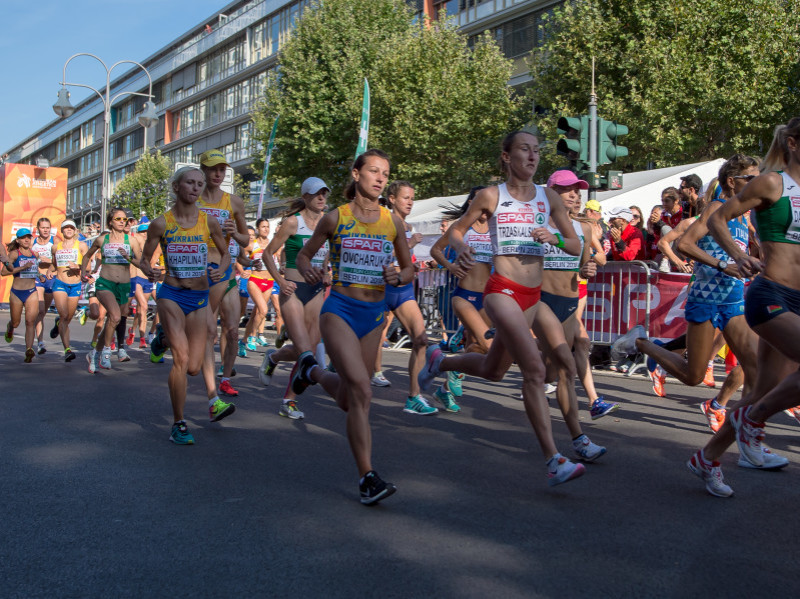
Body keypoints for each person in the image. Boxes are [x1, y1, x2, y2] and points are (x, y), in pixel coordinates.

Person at [417, 130, 587, 487]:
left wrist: (554, 237)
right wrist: (461, 248)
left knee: (494, 369)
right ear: (507, 156)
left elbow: (574, 246)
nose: (533, 156)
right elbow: (457, 232)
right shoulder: (491, 195)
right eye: (524, 149)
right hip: (501, 292)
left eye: (537, 151)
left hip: (533, 296)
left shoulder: (548, 199)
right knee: (535, 370)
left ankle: (440, 361)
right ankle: (553, 458)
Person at [293, 148, 414, 504]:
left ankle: (310, 372)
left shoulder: (393, 221)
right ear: (356, 173)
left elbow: (408, 269)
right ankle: (367, 477)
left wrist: (397, 274)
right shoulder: (336, 217)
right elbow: (303, 254)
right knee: (362, 388)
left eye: (385, 174)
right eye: (374, 171)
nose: (380, 178)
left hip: (374, 315)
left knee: (350, 397)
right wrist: (308, 269)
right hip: (340, 310)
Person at [687, 119, 800, 496]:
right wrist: (736, 255)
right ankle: (753, 421)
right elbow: (718, 218)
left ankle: (707, 458)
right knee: (758, 401)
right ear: (794, 144)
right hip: (771, 295)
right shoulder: (772, 183)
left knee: (761, 391)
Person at [139, 166, 233, 444]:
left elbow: (226, 254)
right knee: (181, 359)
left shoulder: (209, 222)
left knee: (193, 367)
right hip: (171, 294)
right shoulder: (161, 223)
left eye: (199, 184)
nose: (195, 188)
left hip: (200, 298)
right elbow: (145, 260)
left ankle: (163, 339)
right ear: (176, 187)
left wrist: (220, 269)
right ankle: (179, 423)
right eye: (190, 183)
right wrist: (150, 271)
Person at [546, 170, 617, 421]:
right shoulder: (536, 221)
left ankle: (592, 402)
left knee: (577, 346)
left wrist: (588, 266)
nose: (575, 194)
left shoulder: (585, 229)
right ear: (551, 191)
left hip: (573, 295)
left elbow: (590, 262)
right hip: (539, 301)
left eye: (577, 190)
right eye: (568, 189)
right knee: (499, 363)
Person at [259, 177, 331, 419]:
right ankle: (288, 400)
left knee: (308, 349)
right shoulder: (292, 223)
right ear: (306, 196)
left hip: (316, 291)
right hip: (292, 290)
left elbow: (327, 253)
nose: (322, 198)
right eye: (316, 194)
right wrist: (280, 281)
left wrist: (328, 271)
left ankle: (275, 359)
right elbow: (268, 254)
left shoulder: (327, 223)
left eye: (324, 193)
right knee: (304, 350)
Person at [373, 180, 438, 414]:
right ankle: (347, 372)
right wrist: (410, 243)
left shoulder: (408, 226)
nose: (410, 202)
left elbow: (404, 261)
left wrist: (415, 266)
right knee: (366, 343)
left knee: (420, 339)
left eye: (412, 198)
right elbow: (381, 254)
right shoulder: (383, 222)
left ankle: (413, 396)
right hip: (380, 289)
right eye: (405, 198)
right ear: (392, 199)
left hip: (403, 290)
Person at [195, 149, 250, 399]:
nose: (218, 173)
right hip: (199, 273)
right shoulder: (193, 200)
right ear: (203, 170)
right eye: (213, 168)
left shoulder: (234, 202)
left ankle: (225, 378)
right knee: (208, 332)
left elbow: (245, 238)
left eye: (222, 169)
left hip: (226, 272)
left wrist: (234, 233)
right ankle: (208, 380)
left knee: (233, 330)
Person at [430, 186, 491, 408]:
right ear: (471, 203)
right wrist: (451, 266)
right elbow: (435, 250)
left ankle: (445, 384)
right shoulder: (461, 228)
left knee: (478, 348)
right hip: (464, 295)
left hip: (487, 298)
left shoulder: (495, 228)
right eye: (478, 201)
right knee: (490, 345)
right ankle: (449, 359)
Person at [81, 208, 143, 372]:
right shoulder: (102, 240)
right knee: (114, 316)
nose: (123, 221)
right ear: (111, 222)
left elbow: (140, 263)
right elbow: (87, 256)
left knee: (113, 321)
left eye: (125, 219)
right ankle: (106, 353)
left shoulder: (132, 241)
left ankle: (95, 353)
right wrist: (83, 273)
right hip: (105, 284)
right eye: (118, 219)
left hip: (124, 285)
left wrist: (128, 258)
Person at [49, 220, 89, 362]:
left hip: (75, 285)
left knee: (68, 318)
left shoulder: (82, 245)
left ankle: (58, 322)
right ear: (62, 230)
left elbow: (88, 266)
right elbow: (54, 265)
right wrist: (49, 271)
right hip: (60, 283)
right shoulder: (55, 247)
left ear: (75, 230)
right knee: (64, 314)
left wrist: (77, 266)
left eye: (71, 227)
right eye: (66, 228)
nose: (69, 230)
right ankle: (67, 349)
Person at [2, 229, 41, 362]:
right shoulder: (14, 254)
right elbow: (4, 272)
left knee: (30, 321)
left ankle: (29, 349)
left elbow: (35, 270)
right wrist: (22, 268)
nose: (26, 240)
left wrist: (40, 275)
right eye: (23, 238)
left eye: (28, 237)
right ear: (17, 240)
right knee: (16, 322)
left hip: (31, 292)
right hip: (17, 293)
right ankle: (10, 327)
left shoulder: (34, 254)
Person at [32, 218, 58, 355]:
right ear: (38, 229)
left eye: (48, 227)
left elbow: (61, 259)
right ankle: (40, 343)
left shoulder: (55, 241)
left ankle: (58, 323)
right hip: (38, 277)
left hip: (52, 278)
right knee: (40, 310)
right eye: (43, 228)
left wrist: (49, 261)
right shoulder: (33, 242)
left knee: (45, 311)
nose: (46, 230)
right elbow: (27, 259)